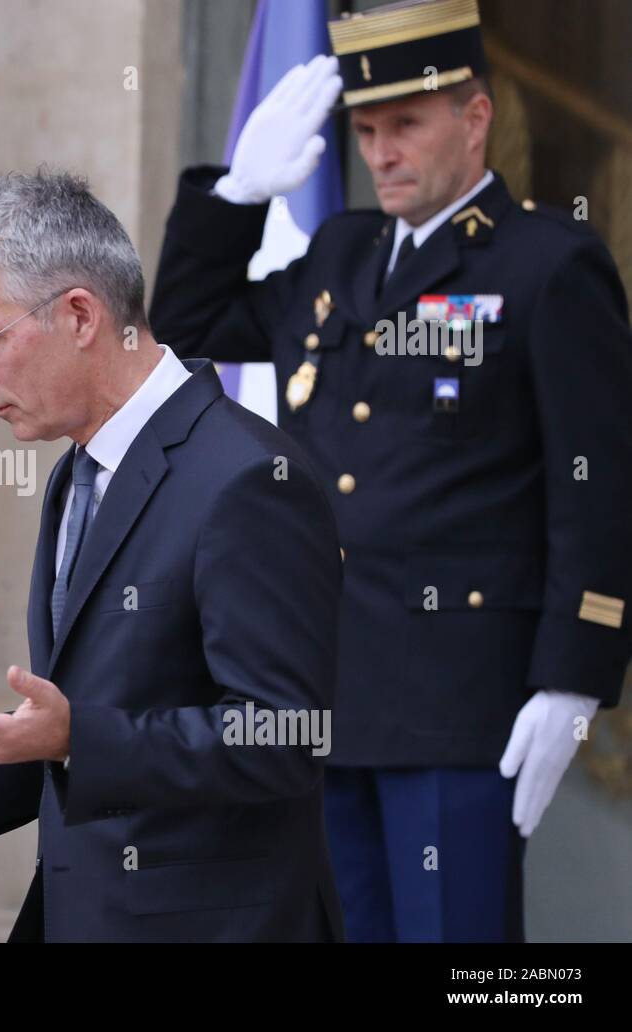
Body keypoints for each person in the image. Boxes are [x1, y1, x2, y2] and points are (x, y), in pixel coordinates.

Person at [149, 0, 632, 941]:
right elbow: (194, 324)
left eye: (406, 123)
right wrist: (236, 196)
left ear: (476, 117)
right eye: (364, 131)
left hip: (461, 698)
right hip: (329, 692)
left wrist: (573, 676)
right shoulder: (341, 254)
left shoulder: (547, 265)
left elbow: (597, 486)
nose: (381, 152)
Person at [0, 169, 345, 942]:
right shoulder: (77, 470)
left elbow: (282, 736)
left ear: (81, 315)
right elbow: (107, 708)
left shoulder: (249, 479)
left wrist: (74, 736)